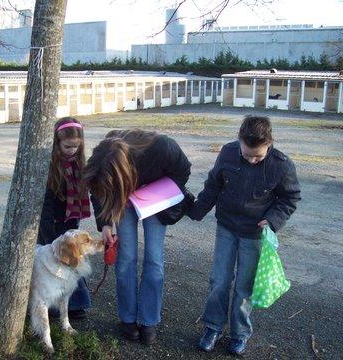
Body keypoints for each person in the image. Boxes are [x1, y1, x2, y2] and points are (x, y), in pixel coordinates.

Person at [188, 115, 301, 355]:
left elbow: (290, 198)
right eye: (247, 153)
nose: (251, 160)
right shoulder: (228, 153)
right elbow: (213, 186)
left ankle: (239, 334)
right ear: (239, 140)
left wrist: (272, 219)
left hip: (254, 234)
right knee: (219, 281)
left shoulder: (282, 164)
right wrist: (196, 210)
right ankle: (212, 326)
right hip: (226, 227)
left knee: (244, 287)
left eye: (257, 156)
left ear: (269, 144)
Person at [83, 129, 193, 345]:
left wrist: (156, 193)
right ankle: (128, 318)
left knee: (153, 258)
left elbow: (183, 171)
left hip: (155, 196)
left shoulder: (163, 147)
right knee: (125, 259)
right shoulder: (103, 157)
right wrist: (105, 224)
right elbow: (97, 190)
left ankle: (149, 319)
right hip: (123, 196)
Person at [37, 117, 91, 319]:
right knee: (51, 263)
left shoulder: (79, 164)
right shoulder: (50, 165)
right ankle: (49, 305)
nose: (72, 150)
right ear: (57, 143)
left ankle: (76, 304)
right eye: (67, 146)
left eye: (76, 147)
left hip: (70, 220)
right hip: (50, 221)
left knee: (73, 259)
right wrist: (48, 231)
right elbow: (46, 202)